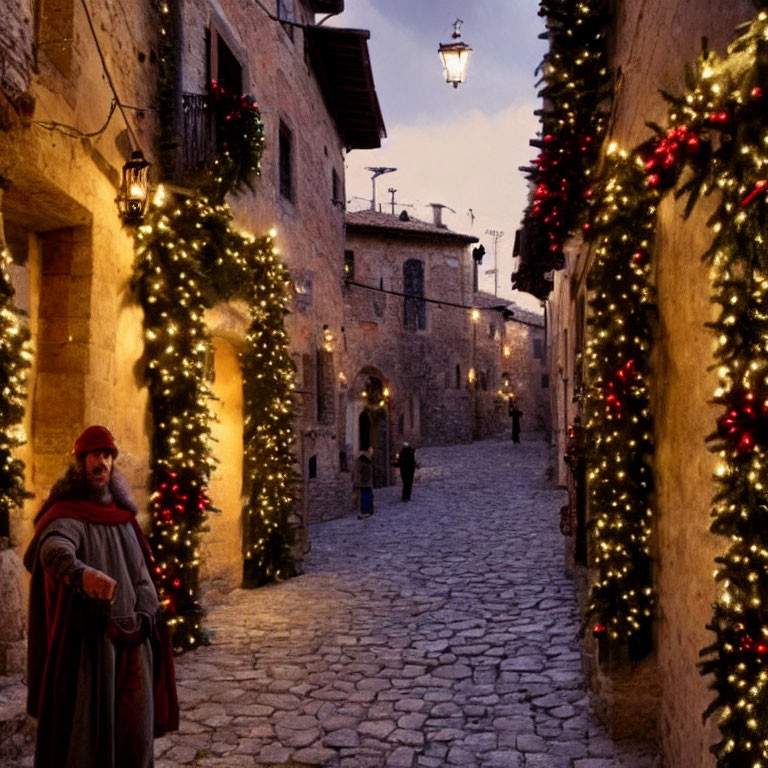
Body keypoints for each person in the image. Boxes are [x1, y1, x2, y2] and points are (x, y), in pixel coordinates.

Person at [23, 425, 179, 768]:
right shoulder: (68, 515)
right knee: (89, 737)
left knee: (135, 735)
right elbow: (53, 548)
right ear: (81, 462)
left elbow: (142, 576)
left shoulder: (124, 519)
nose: (102, 463)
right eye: (95, 455)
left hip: (133, 642)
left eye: (107, 456)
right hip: (91, 646)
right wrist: (81, 573)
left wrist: (146, 614)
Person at [354, 447, 374, 519]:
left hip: (366, 483)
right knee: (365, 497)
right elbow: (357, 473)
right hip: (364, 483)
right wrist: (356, 482)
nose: (372, 454)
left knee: (367, 497)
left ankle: (368, 511)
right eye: (371, 452)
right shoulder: (363, 462)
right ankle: (365, 511)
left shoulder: (367, 461)